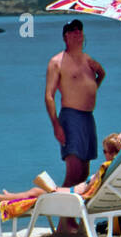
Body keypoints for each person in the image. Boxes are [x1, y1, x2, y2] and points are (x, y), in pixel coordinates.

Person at [0, 132, 121, 210]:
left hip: (76, 198)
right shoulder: (119, 165)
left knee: (34, 192)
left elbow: (85, 191)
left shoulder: (104, 167)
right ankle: (10, 196)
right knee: (35, 193)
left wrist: (58, 190)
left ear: (111, 153)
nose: (103, 153)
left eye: (104, 151)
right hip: (81, 195)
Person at [45, 18, 107, 189]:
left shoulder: (88, 60)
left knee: (83, 175)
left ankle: (75, 215)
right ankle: (64, 214)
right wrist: (56, 125)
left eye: (80, 29)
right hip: (71, 118)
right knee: (73, 174)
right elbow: (49, 96)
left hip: (88, 118)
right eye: (72, 30)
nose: (77, 32)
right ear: (65, 36)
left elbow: (97, 79)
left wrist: (100, 73)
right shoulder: (57, 62)